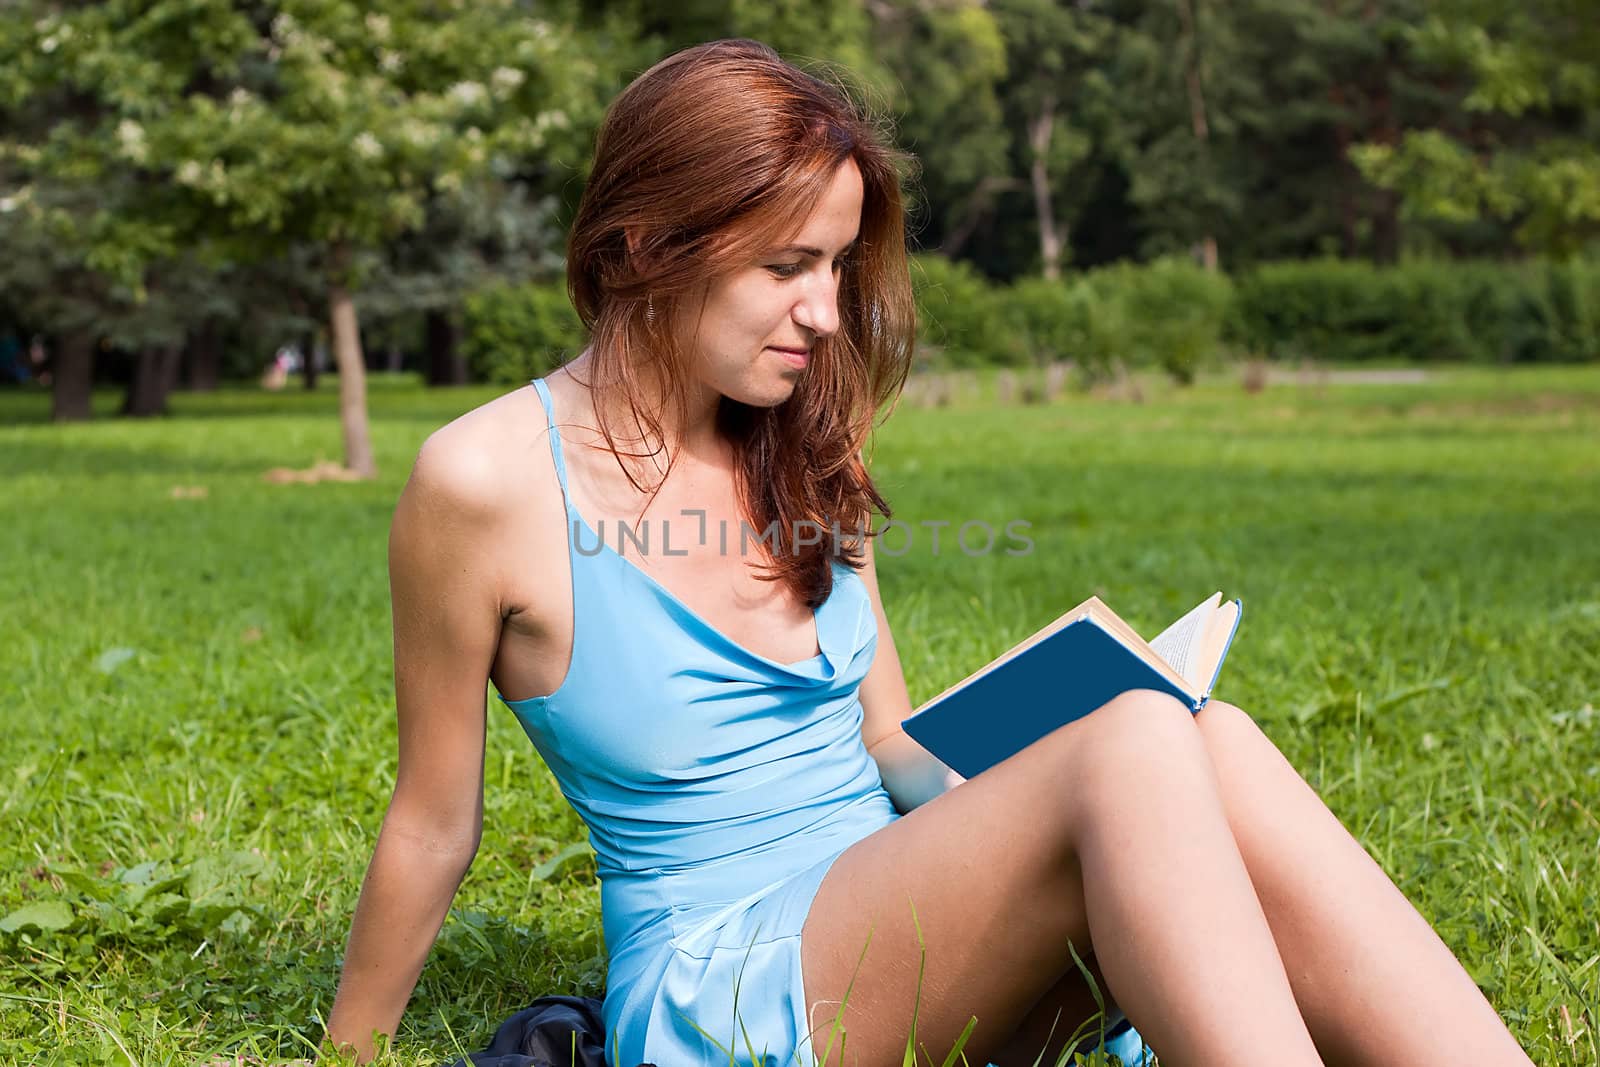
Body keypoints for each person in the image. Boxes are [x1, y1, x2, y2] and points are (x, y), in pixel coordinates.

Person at [323, 39, 1535, 1067]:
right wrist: (344, 1051)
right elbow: (435, 820)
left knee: (1196, 734)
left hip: (907, 911)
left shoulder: (793, 438)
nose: (826, 313)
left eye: (839, 265)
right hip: (727, 983)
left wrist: (1053, 764)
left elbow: (888, 739)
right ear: (643, 245)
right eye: (785, 266)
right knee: (1128, 749)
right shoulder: (482, 482)